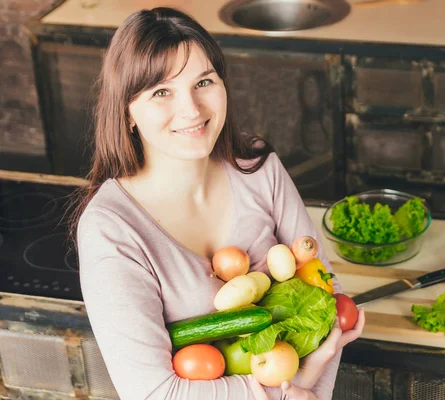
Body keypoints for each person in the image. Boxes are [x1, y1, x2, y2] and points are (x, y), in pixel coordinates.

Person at [69, 7, 365, 400]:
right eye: (161, 91)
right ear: (127, 113)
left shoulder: (257, 166)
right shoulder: (111, 228)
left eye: (204, 81)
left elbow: (325, 295)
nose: (192, 110)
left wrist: (313, 386)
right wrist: (296, 389)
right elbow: (153, 392)